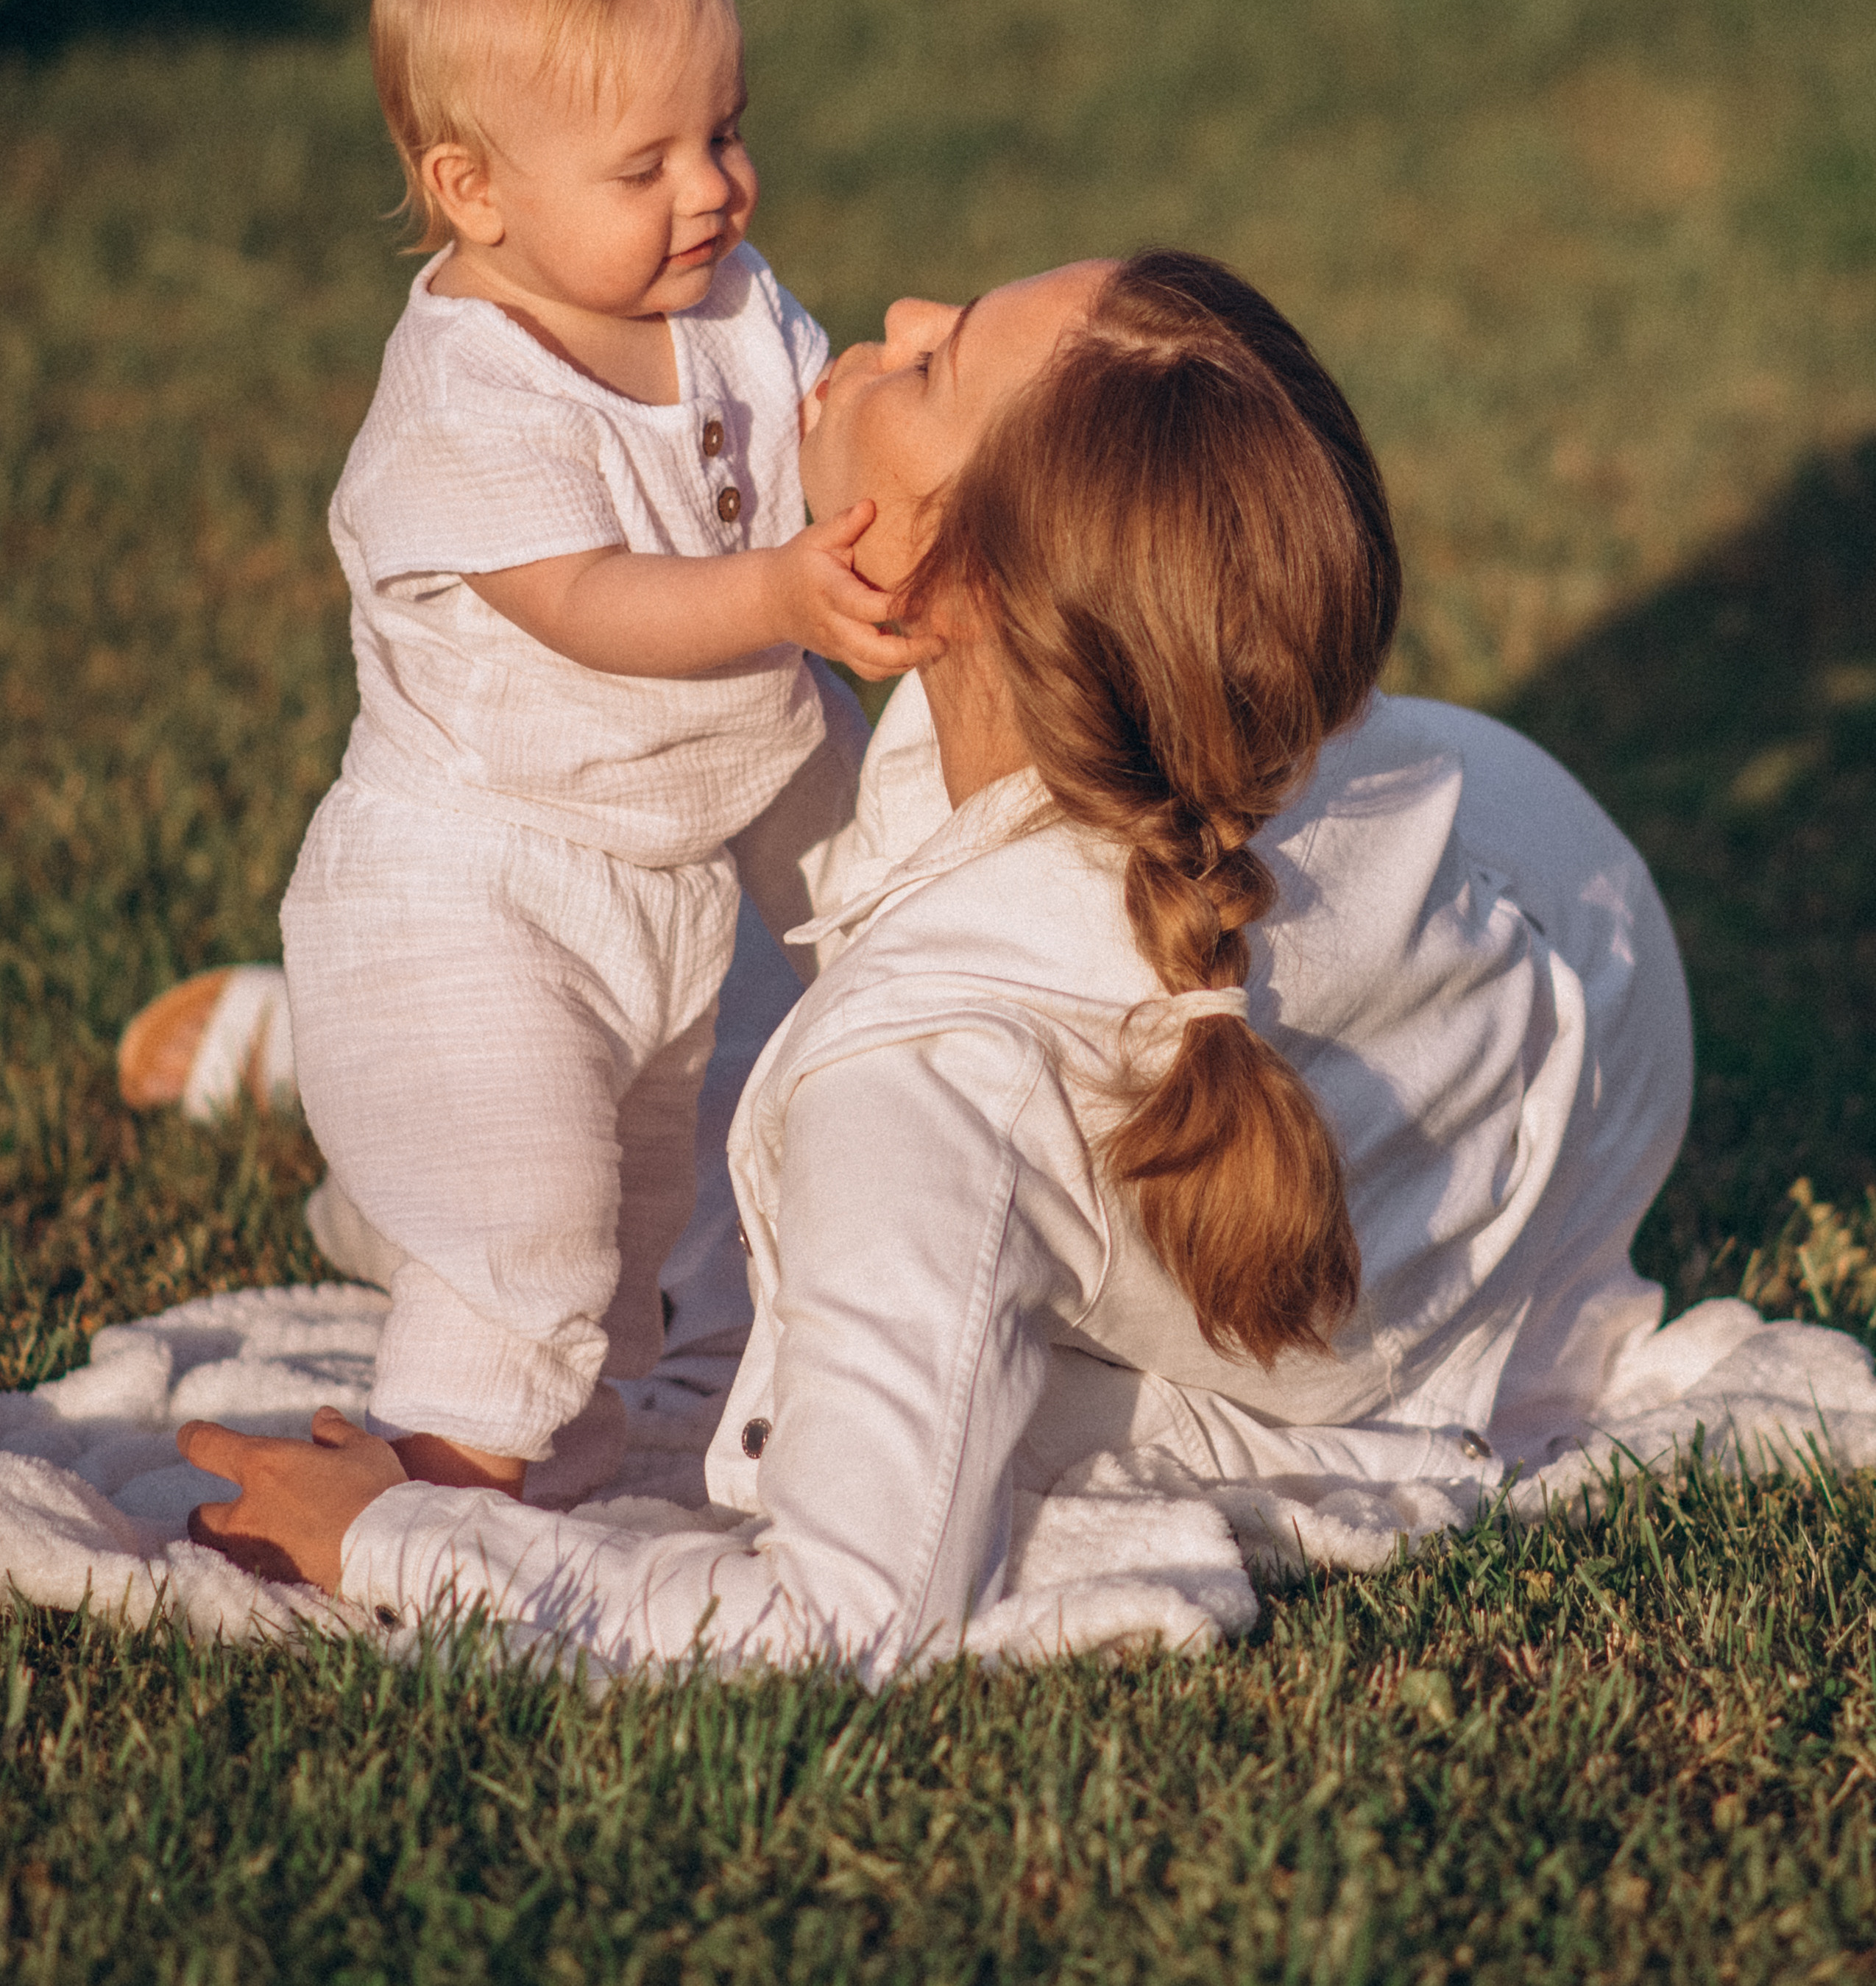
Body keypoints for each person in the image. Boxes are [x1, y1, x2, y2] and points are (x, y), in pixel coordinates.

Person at [179, 252, 1694, 1678]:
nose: (895, 310)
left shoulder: (920, 1080)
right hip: (1582, 961)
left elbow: (847, 1612)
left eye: (931, 362)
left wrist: (393, 1530)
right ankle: (418, 1036)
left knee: (616, 1210)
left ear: (926, 572)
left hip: (1525, 1159)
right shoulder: (1224, 708)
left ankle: (379, 1052)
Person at [146, 0, 939, 1514]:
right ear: (474, 190)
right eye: (644, 162)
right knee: (532, 1222)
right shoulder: (467, 388)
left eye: (723, 129)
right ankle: (411, 1513)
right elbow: (589, 600)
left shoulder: (718, 301)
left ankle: (541, 1473)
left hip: (661, 888)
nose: (713, 187)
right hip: (469, 891)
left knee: (619, 1260)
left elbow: (813, 432)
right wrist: (786, 589)